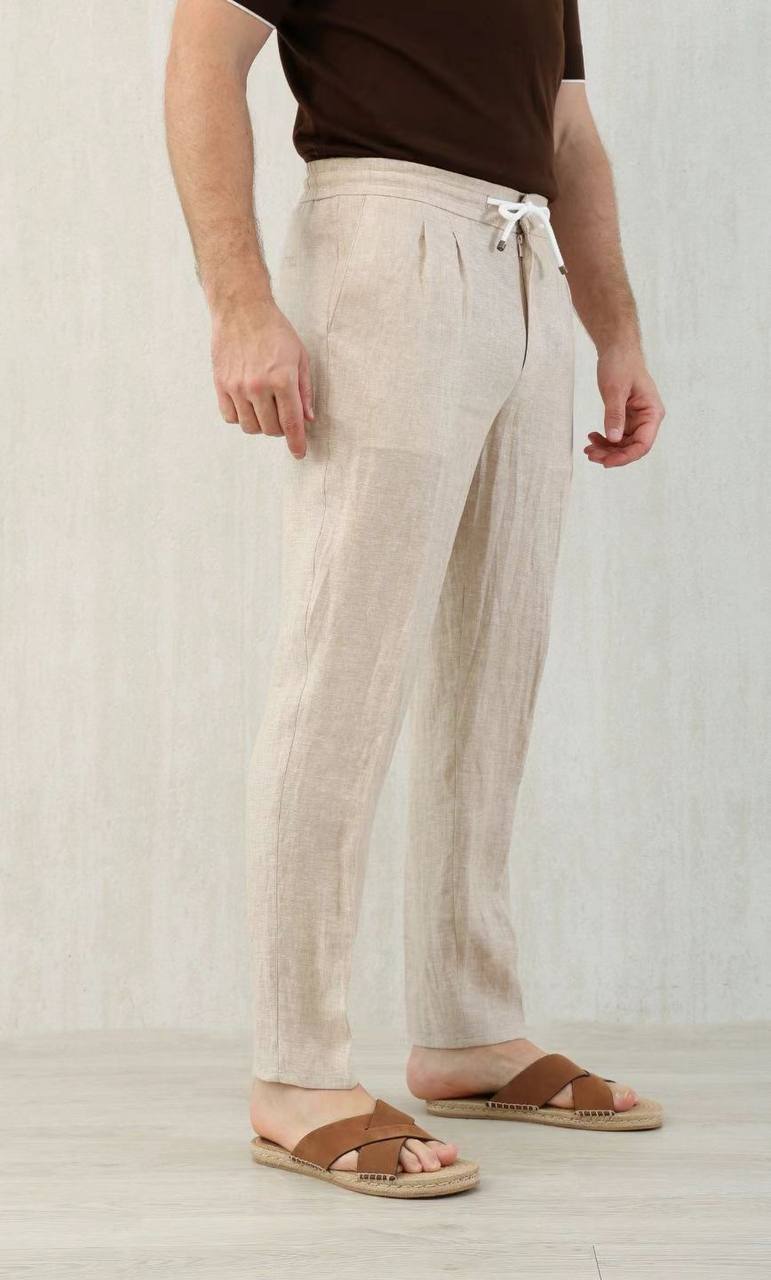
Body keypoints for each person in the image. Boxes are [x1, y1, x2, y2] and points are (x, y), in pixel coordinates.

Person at [165, 0, 666, 1199]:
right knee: (343, 668)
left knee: (496, 670)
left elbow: (569, 130)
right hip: (385, 249)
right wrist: (240, 305)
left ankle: (468, 1028)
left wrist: (616, 331)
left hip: (526, 263)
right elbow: (201, 61)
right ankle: (296, 1072)